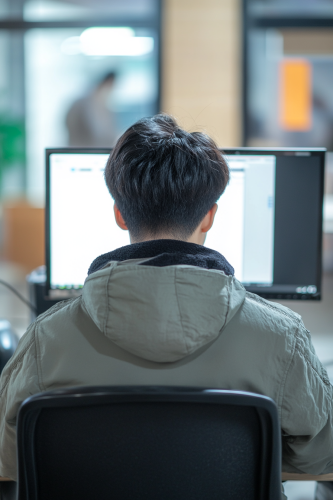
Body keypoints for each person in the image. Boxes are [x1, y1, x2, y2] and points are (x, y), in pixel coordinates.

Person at [0, 115, 333, 500]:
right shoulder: (282, 337)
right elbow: (319, 457)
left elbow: (10, 460)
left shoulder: (47, 339)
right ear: (210, 216)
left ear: (119, 214)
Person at [65, 72, 118, 147]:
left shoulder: (101, 104)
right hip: (84, 150)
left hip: (90, 149)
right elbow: (98, 132)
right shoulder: (85, 103)